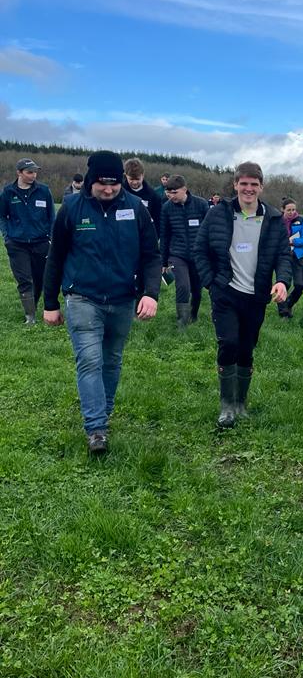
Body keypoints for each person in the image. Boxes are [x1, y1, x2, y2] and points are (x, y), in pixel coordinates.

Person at [42, 150, 161, 454]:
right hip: (83, 297)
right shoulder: (71, 208)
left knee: (112, 360)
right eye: (101, 183)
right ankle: (96, 428)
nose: (108, 189)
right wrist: (50, 302)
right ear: (90, 181)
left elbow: (150, 256)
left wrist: (150, 293)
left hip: (123, 298)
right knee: (90, 360)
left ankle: (102, 416)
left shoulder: (136, 209)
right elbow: (55, 258)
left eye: (114, 183)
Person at [194, 162, 291, 428]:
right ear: (235, 184)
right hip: (226, 291)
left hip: (257, 295)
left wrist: (282, 281)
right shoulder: (218, 214)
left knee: (247, 348)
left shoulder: (272, 218)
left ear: (261, 186)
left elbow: (284, 255)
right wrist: (210, 283)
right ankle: (226, 406)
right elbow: (199, 249)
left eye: (254, 184)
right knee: (229, 343)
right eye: (243, 183)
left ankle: (240, 403)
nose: (248, 189)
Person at [0, 158, 56, 324]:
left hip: (41, 242)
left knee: (39, 279)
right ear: (19, 173)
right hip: (17, 243)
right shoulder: (8, 192)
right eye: (29, 172)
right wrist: (7, 236)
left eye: (35, 172)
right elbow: (2, 216)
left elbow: (51, 217)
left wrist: (51, 238)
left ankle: (34, 304)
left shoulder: (44, 191)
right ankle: (30, 317)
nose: (33, 175)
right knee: (25, 280)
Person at [159, 174, 210, 327]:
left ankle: (193, 315)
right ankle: (182, 321)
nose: (171, 196)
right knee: (183, 286)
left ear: (185, 190)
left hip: (198, 254)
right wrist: (163, 261)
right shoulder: (166, 208)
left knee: (197, 288)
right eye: (169, 192)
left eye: (175, 192)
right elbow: (165, 235)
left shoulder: (201, 205)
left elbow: (209, 231)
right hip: (177, 254)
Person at [277, 197, 303, 319]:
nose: (291, 212)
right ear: (283, 210)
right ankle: (283, 313)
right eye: (289, 210)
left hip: (297, 256)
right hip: (282, 256)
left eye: (293, 210)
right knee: (283, 283)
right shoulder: (278, 221)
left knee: (300, 285)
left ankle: (288, 304)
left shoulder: (301, 221)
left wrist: (293, 242)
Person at [123, 157, 162, 236]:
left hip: (145, 239)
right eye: (131, 179)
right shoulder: (119, 193)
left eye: (137, 179)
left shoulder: (153, 196)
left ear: (143, 175)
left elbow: (158, 221)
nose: (134, 182)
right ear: (126, 175)